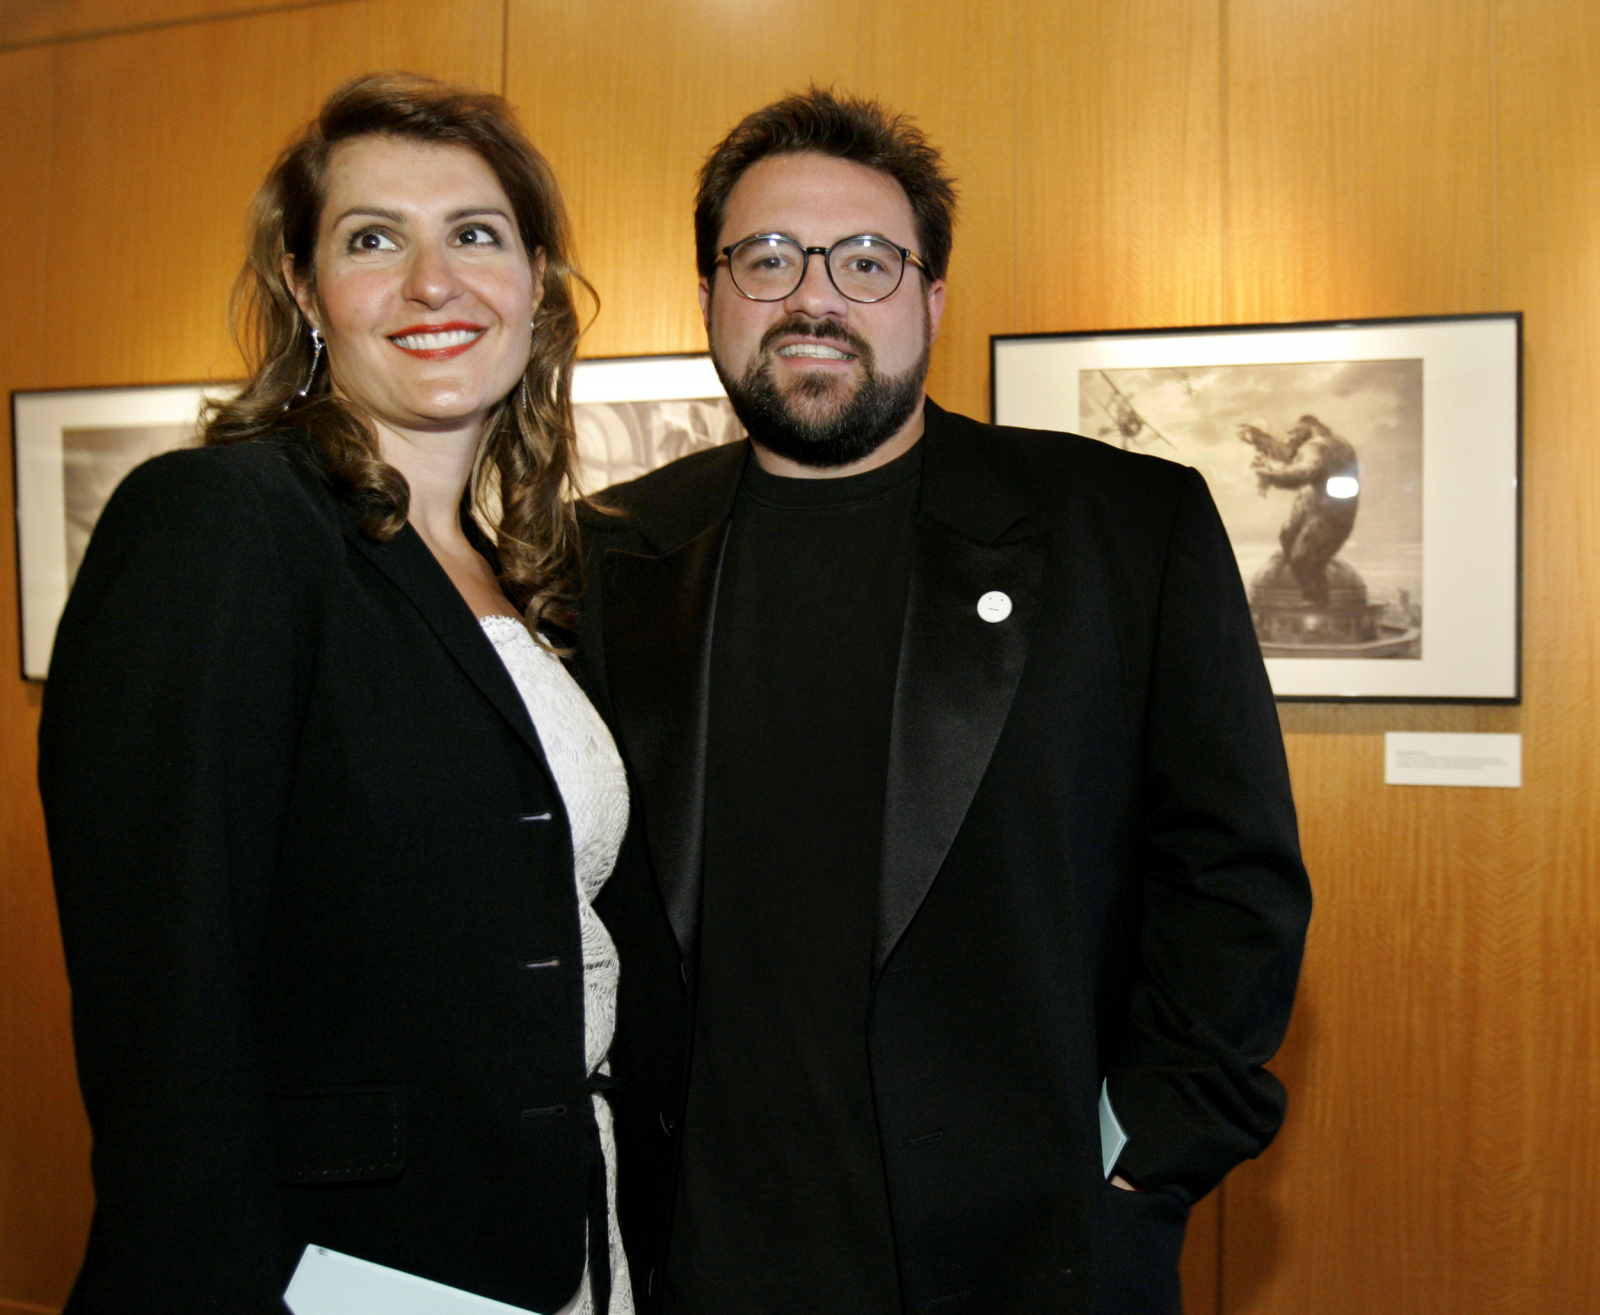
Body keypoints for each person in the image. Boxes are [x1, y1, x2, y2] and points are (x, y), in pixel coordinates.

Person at [580, 89, 1312, 1314]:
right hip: (696, 1255)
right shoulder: (607, 553)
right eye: (765, 258)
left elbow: (1231, 871)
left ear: (930, 298)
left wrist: (1151, 1142)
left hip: (1026, 1250)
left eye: (866, 261)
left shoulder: (1126, 530)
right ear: (709, 292)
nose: (814, 296)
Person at [40, 73, 629, 1315]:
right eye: (375, 239)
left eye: (475, 234)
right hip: (342, 1269)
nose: (433, 283)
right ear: (306, 290)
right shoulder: (222, 522)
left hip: (557, 1233)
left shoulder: (520, 570)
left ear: (533, 275)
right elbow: (165, 995)